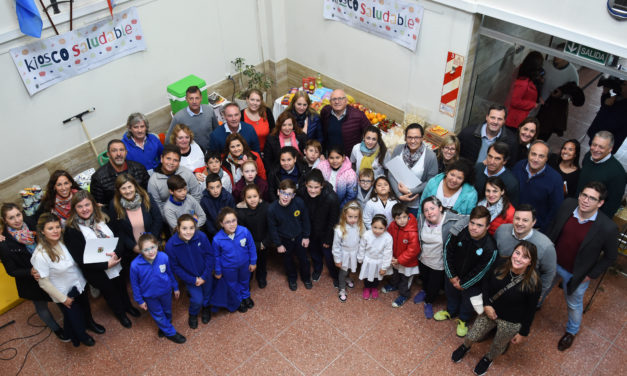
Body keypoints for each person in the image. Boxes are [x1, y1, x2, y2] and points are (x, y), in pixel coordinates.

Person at [546, 181, 618, 351]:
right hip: (553, 262)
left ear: (600, 203)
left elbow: (611, 256)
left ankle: (571, 331)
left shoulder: (607, 228)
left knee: (574, 304)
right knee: (543, 286)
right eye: (584, 195)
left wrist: (591, 275)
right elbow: (553, 227)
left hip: (577, 274)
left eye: (592, 198)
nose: (586, 200)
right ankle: (536, 305)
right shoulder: (568, 205)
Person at [451, 241, 542, 376]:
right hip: (490, 310)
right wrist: (487, 304)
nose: (518, 258)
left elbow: (530, 310)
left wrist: (523, 332)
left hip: (511, 321)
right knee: (472, 334)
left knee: (499, 345)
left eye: (525, 257)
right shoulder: (500, 262)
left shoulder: (534, 283)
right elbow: (486, 283)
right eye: (517, 253)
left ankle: (488, 359)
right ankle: (465, 346)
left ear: (530, 262)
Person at [64, 190, 138, 328]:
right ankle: (120, 314)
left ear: (93, 204)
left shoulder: (104, 215)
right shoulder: (72, 230)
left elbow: (119, 234)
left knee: (122, 286)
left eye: (87, 205)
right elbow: (80, 259)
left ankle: (128, 307)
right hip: (98, 271)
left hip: (116, 261)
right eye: (80, 206)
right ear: (74, 209)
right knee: (110, 294)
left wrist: (117, 252)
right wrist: (105, 264)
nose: (85, 209)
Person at [31, 213, 102, 347]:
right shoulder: (40, 255)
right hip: (64, 292)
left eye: (57, 227)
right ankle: (82, 336)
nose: (55, 231)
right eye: (50, 228)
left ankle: (90, 324)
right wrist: (63, 299)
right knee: (75, 318)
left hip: (79, 284)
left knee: (86, 309)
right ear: (42, 231)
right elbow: (43, 282)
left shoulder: (64, 241)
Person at [0, 203, 68, 342]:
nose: (17, 220)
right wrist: (30, 272)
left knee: (60, 297)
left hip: (49, 271)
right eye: (11, 218)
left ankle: (70, 321)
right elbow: (12, 271)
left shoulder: (31, 223)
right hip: (30, 280)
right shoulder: (4, 243)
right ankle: (56, 329)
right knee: (41, 306)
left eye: (18, 215)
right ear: (5, 220)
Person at [435, 206, 498, 338]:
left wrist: (464, 283)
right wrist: (452, 276)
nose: (474, 228)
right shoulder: (459, 232)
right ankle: (451, 311)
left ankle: (463, 320)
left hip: (473, 283)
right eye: (472, 223)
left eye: (479, 225)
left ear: (487, 227)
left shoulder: (490, 248)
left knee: (468, 302)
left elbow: (481, 271)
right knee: (451, 293)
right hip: (453, 275)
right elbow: (447, 251)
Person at [414, 196, 469, 319]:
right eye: (426, 210)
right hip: (423, 258)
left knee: (434, 286)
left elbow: (469, 218)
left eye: (432, 208)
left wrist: (455, 230)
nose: (429, 212)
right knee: (424, 278)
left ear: (440, 208)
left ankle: (429, 302)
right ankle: (423, 291)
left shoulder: (450, 219)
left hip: (438, 263)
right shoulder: (422, 219)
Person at [494, 204, 556, 307]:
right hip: (500, 283)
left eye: (525, 220)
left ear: (533, 222)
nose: (519, 223)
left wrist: (539, 294)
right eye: (517, 218)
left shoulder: (546, 246)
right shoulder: (501, 231)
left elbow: (549, 273)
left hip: (524, 290)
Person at [130, 233, 186, 344]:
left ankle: (164, 326)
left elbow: (170, 273)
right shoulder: (135, 265)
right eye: (146, 250)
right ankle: (170, 332)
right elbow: (135, 285)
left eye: (152, 247)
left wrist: (175, 287)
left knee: (167, 311)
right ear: (140, 251)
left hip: (166, 292)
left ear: (157, 245)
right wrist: (139, 300)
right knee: (158, 315)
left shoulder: (163, 257)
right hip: (150, 296)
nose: (151, 252)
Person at [165, 214, 215, 328]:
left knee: (207, 294)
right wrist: (193, 279)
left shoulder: (201, 236)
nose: (188, 232)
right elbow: (175, 267)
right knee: (197, 300)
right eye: (184, 228)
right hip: (191, 279)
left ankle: (206, 308)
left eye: (192, 228)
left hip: (205, 274)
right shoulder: (171, 245)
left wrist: (204, 276)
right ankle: (193, 314)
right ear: (178, 228)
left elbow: (210, 255)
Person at [107, 174, 162, 270]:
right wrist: (133, 246)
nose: (128, 191)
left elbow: (158, 219)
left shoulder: (146, 198)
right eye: (123, 188)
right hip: (132, 251)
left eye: (130, 187)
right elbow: (118, 231)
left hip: (153, 245)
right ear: (119, 191)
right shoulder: (114, 205)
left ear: (135, 186)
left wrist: (151, 242)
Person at [267, 179, 311, 291]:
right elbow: (273, 229)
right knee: (288, 261)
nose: (286, 197)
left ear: (293, 195)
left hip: (299, 237)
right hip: (284, 240)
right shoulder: (272, 209)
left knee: (304, 259)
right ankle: (292, 278)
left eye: (289, 194)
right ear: (278, 192)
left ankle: (306, 278)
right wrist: (278, 244)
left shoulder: (299, 202)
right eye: (283, 193)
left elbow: (305, 220)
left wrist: (306, 236)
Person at [298, 169, 340, 287]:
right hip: (310, 230)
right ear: (306, 184)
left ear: (322, 185)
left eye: (316, 187)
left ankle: (335, 275)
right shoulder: (302, 192)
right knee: (314, 252)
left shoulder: (332, 197)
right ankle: (317, 269)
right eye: (310, 187)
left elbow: (333, 220)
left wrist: (328, 238)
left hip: (325, 231)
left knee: (329, 255)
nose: (312, 190)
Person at [386, 123, 439, 216]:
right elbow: (391, 173)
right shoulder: (398, 149)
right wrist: (399, 194)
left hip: (415, 203)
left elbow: (431, 182)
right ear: (405, 138)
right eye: (409, 137)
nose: (413, 141)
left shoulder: (430, 156)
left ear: (422, 138)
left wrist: (411, 191)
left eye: (417, 137)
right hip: (396, 199)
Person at [212, 208, 257, 313]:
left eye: (234, 220)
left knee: (245, 280)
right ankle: (239, 300)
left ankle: (246, 296)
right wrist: (218, 271)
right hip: (228, 268)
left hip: (244, 264)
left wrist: (253, 262)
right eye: (227, 222)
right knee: (232, 284)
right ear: (221, 224)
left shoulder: (244, 231)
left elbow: (251, 247)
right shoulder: (217, 239)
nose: (232, 224)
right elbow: (216, 256)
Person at [512, 140, 564, 231]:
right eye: (533, 154)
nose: (536, 159)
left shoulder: (555, 180)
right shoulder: (519, 166)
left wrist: (543, 229)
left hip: (534, 228)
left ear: (547, 159)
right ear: (528, 154)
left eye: (541, 156)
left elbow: (555, 210)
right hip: (511, 220)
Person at [577, 131, 627, 217]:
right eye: (594, 145)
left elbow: (612, 204)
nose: (596, 149)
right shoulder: (588, 155)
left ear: (610, 149)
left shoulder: (618, 173)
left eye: (601, 147)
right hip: (576, 207)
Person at [382, 203, 420, 308]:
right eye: (398, 218)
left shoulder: (412, 231)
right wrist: (391, 256)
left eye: (404, 217)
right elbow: (387, 240)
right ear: (394, 218)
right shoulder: (392, 226)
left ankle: (404, 295)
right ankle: (394, 285)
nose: (402, 220)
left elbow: (413, 250)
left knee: (405, 279)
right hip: (395, 259)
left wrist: (400, 259)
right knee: (395, 274)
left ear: (408, 216)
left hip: (408, 263)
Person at [91, 139, 150, 207]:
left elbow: (148, 192)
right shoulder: (98, 178)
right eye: (114, 150)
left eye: (121, 150)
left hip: (142, 206)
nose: (118, 154)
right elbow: (100, 205)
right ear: (108, 154)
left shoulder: (139, 168)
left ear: (126, 152)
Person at [147, 145, 204, 213]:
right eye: (168, 158)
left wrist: (191, 214)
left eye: (175, 160)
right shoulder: (153, 181)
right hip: (168, 218)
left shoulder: (186, 173)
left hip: (190, 213)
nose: (171, 163)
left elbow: (197, 194)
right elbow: (157, 207)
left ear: (179, 162)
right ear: (161, 158)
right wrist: (173, 219)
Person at [235, 185, 270, 288]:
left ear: (259, 196)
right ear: (244, 199)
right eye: (249, 197)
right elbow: (240, 234)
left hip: (264, 242)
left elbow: (271, 227)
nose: (252, 199)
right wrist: (254, 246)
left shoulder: (266, 207)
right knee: (248, 263)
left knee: (262, 262)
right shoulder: (240, 212)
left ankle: (261, 276)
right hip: (248, 245)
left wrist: (264, 243)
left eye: (255, 196)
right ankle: (248, 279)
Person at [166, 85, 219, 152]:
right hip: (192, 156)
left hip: (211, 151)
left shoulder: (209, 110)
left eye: (197, 98)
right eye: (191, 98)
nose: (194, 101)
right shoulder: (179, 117)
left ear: (201, 98)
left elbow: (217, 130)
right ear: (186, 99)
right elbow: (169, 139)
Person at [320, 89, 370, 155]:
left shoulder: (358, 116)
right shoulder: (325, 111)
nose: (337, 102)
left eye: (340, 99)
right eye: (334, 99)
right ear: (330, 102)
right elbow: (322, 132)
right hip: (331, 156)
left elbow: (370, 133)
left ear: (346, 101)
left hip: (349, 157)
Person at [332, 201, 364, 302]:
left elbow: (364, 240)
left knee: (350, 268)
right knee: (343, 271)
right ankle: (341, 288)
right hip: (344, 254)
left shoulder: (361, 226)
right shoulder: (339, 229)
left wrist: (361, 254)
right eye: (350, 217)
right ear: (345, 215)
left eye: (356, 217)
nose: (353, 220)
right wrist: (337, 259)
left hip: (355, 252)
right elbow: (336, 246)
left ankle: (347, 278)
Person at [586, 78, 627, 154]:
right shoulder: (619, 97)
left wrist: (607, 106)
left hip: (606, 143)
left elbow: (611, 122)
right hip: (599, 135)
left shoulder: (624, 106)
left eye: (624, 84)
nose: (620, 85)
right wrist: (605, 93)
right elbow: (604, 105)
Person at [357, 214, 393, 300]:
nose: (377, 231)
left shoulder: (388, 238)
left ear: (385, 227)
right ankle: (366, 287)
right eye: (375, 227)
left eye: (381, 228)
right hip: (368, 259)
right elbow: (362, 247)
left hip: (379, 261)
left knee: (377, 276)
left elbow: (388, 253)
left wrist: (384, 267)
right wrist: (360, 258)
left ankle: (374, 288)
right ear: (371, 225)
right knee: (367, 275)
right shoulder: (366, 235)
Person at [505, 51, 544, 129]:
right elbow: (514, 101)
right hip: (513, 119)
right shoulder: (523, 83)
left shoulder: (523, 72)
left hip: (516, 117)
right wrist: (532, 104)